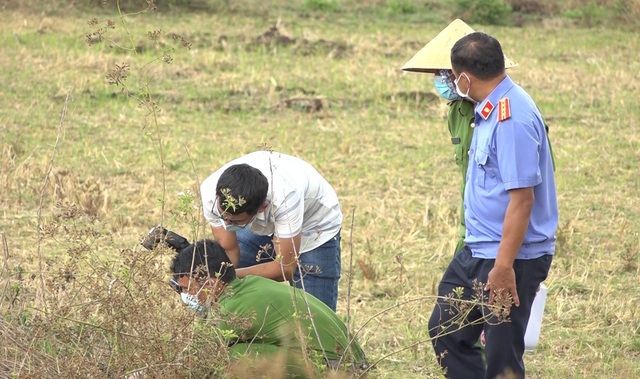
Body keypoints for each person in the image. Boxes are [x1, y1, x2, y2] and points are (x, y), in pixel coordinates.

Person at [426, 32, 558, 379]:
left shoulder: (510, 118)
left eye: (453, 77)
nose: (451, 84)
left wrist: (503, 268)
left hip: (510, 258)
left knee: (501, 357)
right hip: (477, 249)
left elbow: (522, 199)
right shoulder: (486, 110)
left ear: (466, 78)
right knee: (445, 329)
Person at [171, 238, 367, 375]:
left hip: (339, 371)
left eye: (188, 289)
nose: (186, 296)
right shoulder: (248, 284)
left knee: (234, 357)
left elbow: (195, 358)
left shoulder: (232, 307)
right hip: (350, 363)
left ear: (212, 283)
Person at [200, 150, 343, 311]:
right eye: (222, 216)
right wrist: (217, 280)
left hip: (314, 226)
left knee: (315, 316)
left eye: (234, 221)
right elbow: (229, 249)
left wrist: (231, 276)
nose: (226, 223)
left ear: (262, 208)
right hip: (261, 223)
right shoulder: (210, 193)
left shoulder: (286, 198)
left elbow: (286, 268)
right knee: (224, 298)